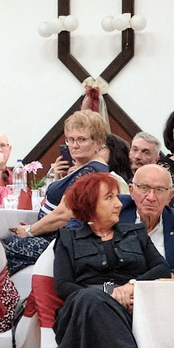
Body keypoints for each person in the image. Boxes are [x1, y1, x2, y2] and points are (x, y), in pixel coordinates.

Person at [52, 172, 171, 348]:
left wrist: (131, 286)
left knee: (99, 327)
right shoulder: (68, 238)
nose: (119, 203)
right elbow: (64, 286)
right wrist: (108, 293)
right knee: (91, 302)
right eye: (109, 198)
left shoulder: (134, 233)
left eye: (117, 196)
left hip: (128, 314)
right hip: (79, 314)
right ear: (89, 205)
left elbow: (161, 268)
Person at [6, 109, 110, 269]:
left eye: (82, 139)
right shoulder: (84, 168)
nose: (74, 145)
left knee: (1, 248)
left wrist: (30, 230)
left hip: (60, 242)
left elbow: (64, 214)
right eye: (71, 140)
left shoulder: (90, 172)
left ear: (97, 143)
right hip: (52, 236)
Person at [119, 165, 174, 277]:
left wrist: (170, 275)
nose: (151, 197)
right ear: (132, 191)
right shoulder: (116, 214)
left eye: (159, 190)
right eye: (144, 188)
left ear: (170, 196)